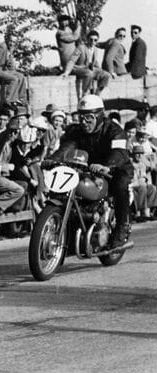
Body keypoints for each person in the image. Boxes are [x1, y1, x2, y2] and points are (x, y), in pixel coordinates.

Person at [54, 94, 133, 247]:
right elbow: (67, 147)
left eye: (89, 117)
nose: (84, 122)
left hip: (116, 168)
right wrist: (53, 159)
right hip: (87, 168)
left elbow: (119, 151)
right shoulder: (75, 131)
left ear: (99, 116)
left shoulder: (114, 130)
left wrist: (107, 165)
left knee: (119, 187)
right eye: (81, 117)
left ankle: (122, 226)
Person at [61, 31, 110, 99]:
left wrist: (100, 71)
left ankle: (97, 95)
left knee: (106, 75)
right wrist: (66, 72)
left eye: (95, 40)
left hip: (89, 68)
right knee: (89, 73)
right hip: (79, 68)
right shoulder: (81, 48)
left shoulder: (95, 49)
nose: (93, 42)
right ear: (87, 39)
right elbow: (72, 60)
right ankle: (84, 94)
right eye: (91, 39)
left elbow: (95, 62)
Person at [130, 144, 156, 221]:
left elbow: (144, 176)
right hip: (132, 185)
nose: (140, 155)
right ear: (133, 154)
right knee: (142, 187)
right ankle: (138, 213)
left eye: (141, 153)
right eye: (137, 153)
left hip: (141, 184)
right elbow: (133, 179)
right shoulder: (130, 164)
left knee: (152, 188)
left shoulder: (142, 164)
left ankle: (147, 211)